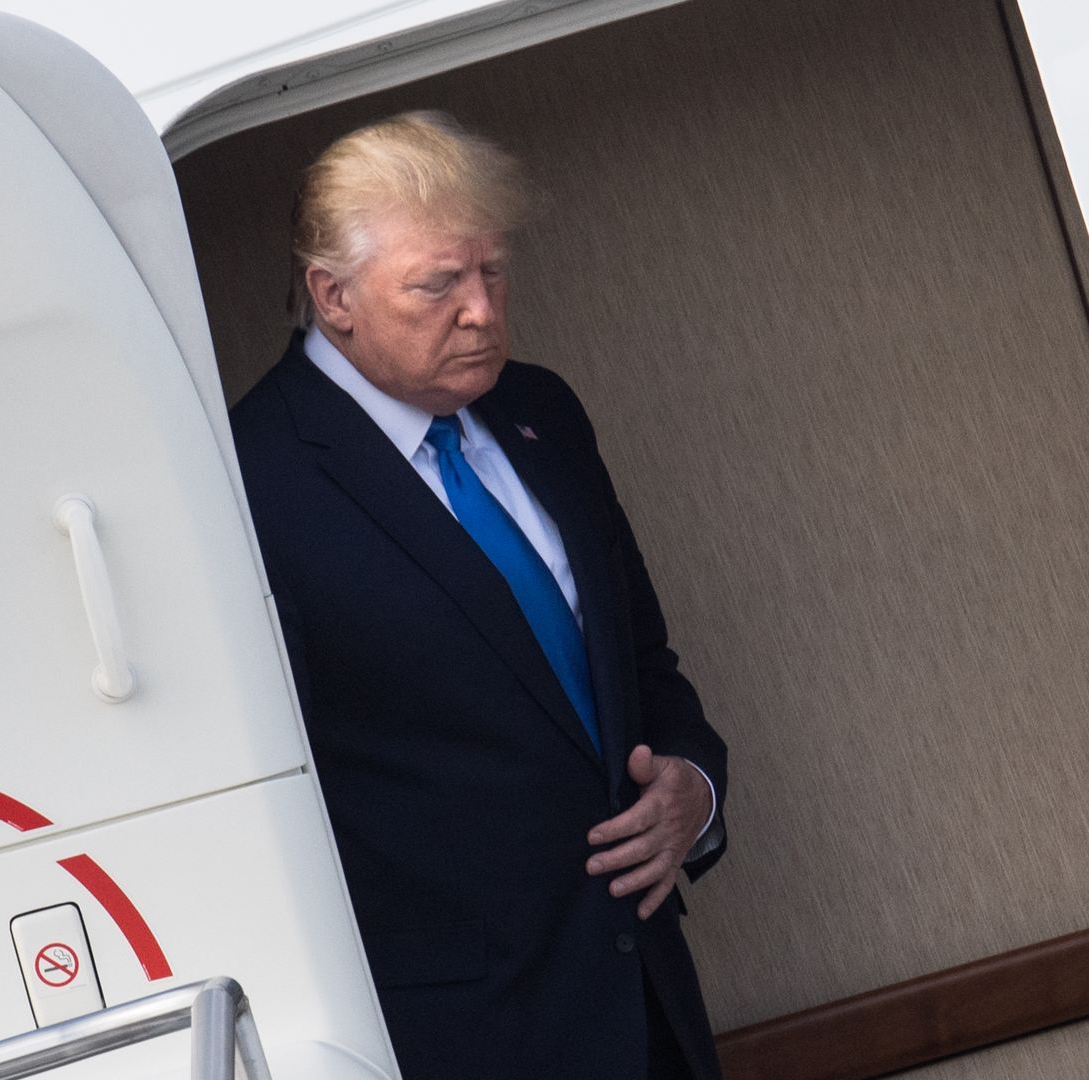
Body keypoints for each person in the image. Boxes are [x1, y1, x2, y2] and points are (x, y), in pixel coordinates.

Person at [228, 111, 729, 1079]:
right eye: (438, 285)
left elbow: (640, 665)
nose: (484, 311)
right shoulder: (252, 483)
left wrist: (692, 793)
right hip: (465, 1040)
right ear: (332, 296)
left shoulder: (542, 410)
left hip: (652, 1009)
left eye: (493, 271)